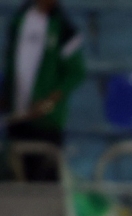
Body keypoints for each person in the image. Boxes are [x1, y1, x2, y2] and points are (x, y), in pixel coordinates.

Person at [0, 0, 86, 181]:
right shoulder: (19, 21)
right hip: (17, 118)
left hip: (46, 123)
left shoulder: (64, 30)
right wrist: (7, 95)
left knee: (44, 183)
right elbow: (12, 63)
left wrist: (49, 102)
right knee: (15, 180)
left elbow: (76, 72)